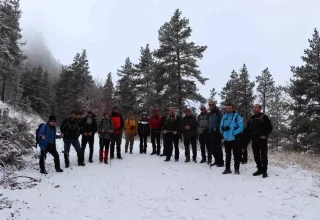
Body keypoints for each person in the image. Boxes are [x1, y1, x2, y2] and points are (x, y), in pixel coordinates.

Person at [247, 104, 273, 178]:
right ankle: (259, 169)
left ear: (260, 109)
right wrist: (249, 138)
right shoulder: (251, 118)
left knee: (264, 156)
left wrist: (265, 135)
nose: (254, 109)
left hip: (262, 140)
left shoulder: (264, 117)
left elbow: (270, 127)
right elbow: (248, 129)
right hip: (254, 140)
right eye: (254, 107)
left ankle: (264, 171)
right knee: (256, 156)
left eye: (256, 107)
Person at [220, 104, 244, 175]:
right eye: (228, 108)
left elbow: (241, 127)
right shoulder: (224, 117)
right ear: (226, 109)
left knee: (236, 154)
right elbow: (221, 127)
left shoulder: (237, 117)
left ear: (233, 109)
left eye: (230, 108)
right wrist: (223, 134)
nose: (229, 109)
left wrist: (234, 132)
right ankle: (227, 169)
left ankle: (236, 169)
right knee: (227, 155)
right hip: (226, 139)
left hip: (235, 139)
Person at [208, 101, 224, 167]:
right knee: (213, 148)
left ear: (215, 105)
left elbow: (222, 121)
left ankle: (221, 162)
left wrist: (218, 128)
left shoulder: (218, 112)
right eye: (210, 105)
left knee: (218, 147)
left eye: (212, 104)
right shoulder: (210, 113)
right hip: (211, 132)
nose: (211, 106)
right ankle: (216, 161)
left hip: (217, 132)